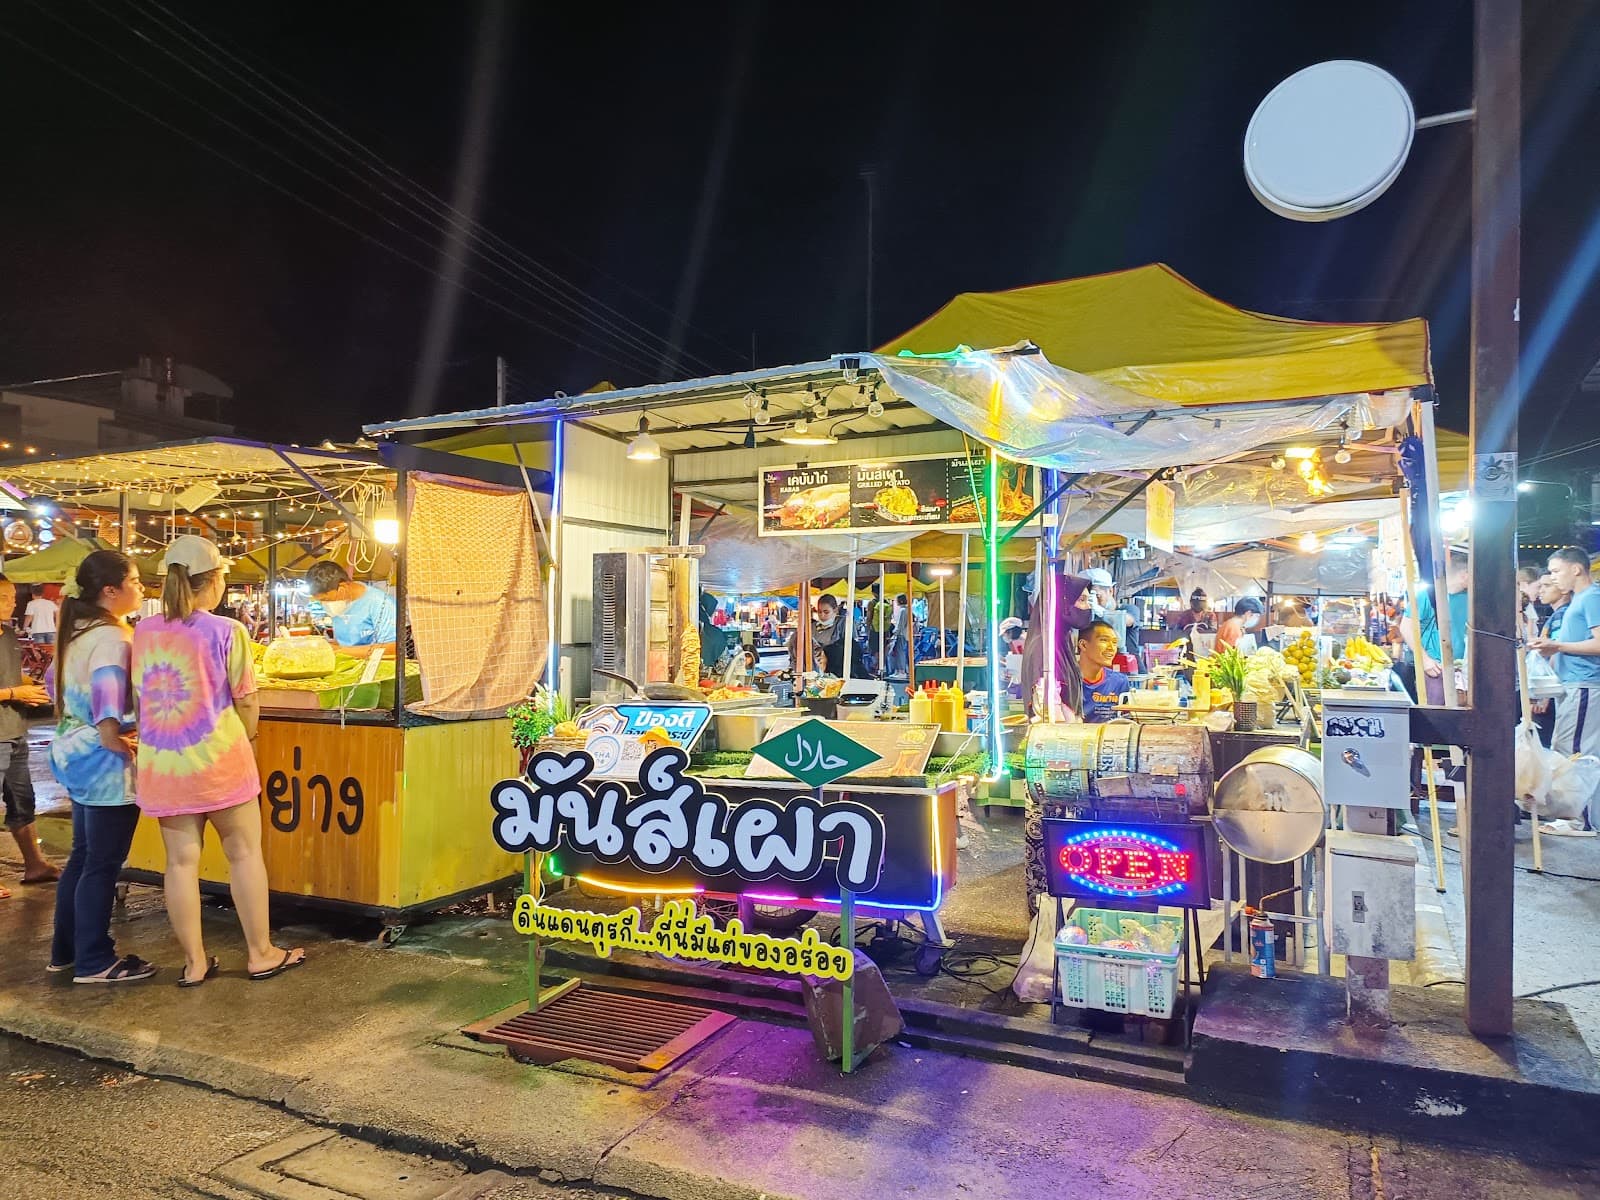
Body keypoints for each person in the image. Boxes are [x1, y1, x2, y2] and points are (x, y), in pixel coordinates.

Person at [133, 536, 305, 985]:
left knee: (180, 865)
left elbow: (140, 694)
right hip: (220, 760)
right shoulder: (228, 631)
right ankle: (261, 953)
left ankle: (194, 964)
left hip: (165, 766)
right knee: (245, 855)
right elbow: (247, 700)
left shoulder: (143, 632)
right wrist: (247, 737)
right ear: (211, 583)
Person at [45, 550, 153, 981]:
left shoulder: (78, 631)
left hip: (75, 751)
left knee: (84, 856)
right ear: (111, 590)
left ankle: (66, 950)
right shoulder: (112, 638)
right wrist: (113, 735)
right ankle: (95, 960)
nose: (142, 588)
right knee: (102, 864)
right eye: (136, 581)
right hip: (102, 757)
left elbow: (55, 683)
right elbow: (109, 689)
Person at [1530, 546, 1600, 833]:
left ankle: (1579, 820)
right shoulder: (1580, 600)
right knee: (1568, 747)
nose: (1554, 578)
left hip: (1585, 685)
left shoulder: (1592, 598)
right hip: (1572, 685)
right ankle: (1576, 816)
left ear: (1576, 569)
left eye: (1557, 571)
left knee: (1576, 752)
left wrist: (1557, 646)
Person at [0, 578, 58, 898]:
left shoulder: (8, 634)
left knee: (22, 801)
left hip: (15, 730)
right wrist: (14, 692)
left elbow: (10, 672)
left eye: (11, 596)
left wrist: (30, 686)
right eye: (3, 597)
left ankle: (35, 864)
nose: (11, 602)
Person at [1400, 549, 1470, 705]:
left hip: (1464, 671)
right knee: (1438, 717)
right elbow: (1406, 627)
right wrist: (1426, 660)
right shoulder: (1429, 595)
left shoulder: (1471, 600)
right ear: (1464, 574)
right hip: (1436, 669)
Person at [305, 560, 397, 656]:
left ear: (343, 588)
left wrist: (339, 651)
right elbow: (342, 643)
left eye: (325, 599)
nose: (324, 604)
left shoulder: (381, 602)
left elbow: (392, 648)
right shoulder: (338, 606)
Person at [1078, 619, 1131, 723]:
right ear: (1083, 645)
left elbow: (1124, 720)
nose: (1111, 648)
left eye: (1115, 642)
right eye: (1104, 640)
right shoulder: (1066, 681)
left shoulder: (1119, 682)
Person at [812, 594, 846, 677]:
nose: (822, 615)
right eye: (819, 612)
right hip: (816, 671)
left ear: (835, 610)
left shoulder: (843, 624)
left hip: (837, 671)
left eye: (826, 612)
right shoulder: (812, 627)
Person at [698, 591, 728, 669]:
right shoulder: (716, 634)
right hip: (706, 678)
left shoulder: (687, 627)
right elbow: (722, 666)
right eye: (713, 611)